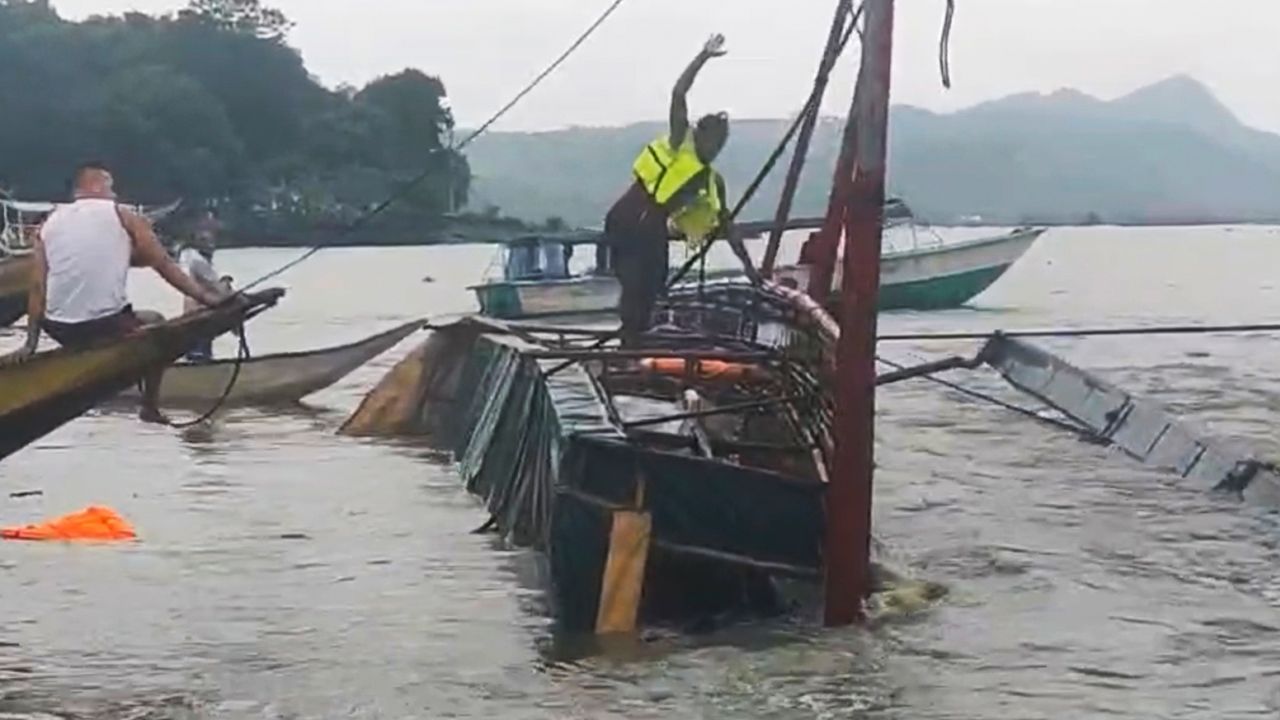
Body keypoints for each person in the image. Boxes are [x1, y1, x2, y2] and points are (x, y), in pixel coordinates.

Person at [5, 161, 225, 423]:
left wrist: (30, 343)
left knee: (119, 323)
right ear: (94, 185)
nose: (115, 194)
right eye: (111, 186)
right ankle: (150, 406)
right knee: (156, 322)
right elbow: (164, 265)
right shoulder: (122, 215)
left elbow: (38, 286)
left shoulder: (48, 225)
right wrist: (209, 299)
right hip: (104, 324)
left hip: (59, 328)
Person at [605, 33, 760, 345]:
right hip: (628, 217)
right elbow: (678, 92)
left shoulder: (711, 180)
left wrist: (751, 270)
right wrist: (703, 56)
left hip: (652, 228)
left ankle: (637, 344)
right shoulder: (680, 141)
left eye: (722, 144)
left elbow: (727, 225)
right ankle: (628, 346)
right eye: (714, 140)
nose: (716, 148)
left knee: (654, 287)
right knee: (635, 288)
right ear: (699, 134)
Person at [179, 211, 233, 362]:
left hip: (193, 314)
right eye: (207, 241)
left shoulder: (186, 256)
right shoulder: (197, 260)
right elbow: (217, 287)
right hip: (200, 314)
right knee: (200, 350)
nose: (212, 245)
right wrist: (226, 282)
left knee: (196, 350)